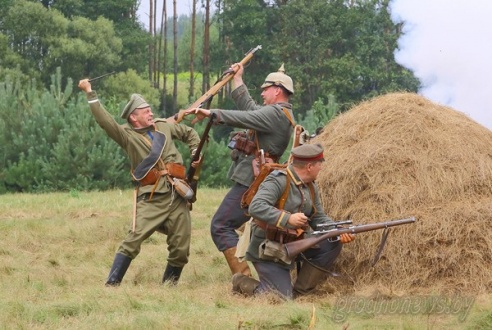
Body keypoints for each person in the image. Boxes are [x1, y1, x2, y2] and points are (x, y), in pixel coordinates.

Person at [78, 79, 200, 286]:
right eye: (145, 111)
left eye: (150, 110)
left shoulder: (163, 126)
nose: (150, 113)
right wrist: (90, 92)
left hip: (178, 193)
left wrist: (196, 151)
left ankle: (169, 288)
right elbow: (104, 120)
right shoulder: (127, 136)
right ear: (134, 117)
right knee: (133, 240)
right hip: (152, 195)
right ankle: (112, 284)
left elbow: (190, 134)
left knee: (181, 247)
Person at [185, 63, 296, 277]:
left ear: (277, 90)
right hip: (255, 179)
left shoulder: (276, 114)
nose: (262, 92)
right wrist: (237, 80)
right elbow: (252, 111)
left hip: (252, 183)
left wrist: (211, 113)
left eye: (266, 89)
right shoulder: (277, 113)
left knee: (221, 225)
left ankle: (244, 279)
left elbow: (247, 117)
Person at [232, 143, 355, 299]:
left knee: (331, 241)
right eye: (319, 165)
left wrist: (337, 229)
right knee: (278, 298)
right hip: (268, 247)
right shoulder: (278, 180)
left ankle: (301, 292)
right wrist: (287, 218)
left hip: (295, 241)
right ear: (309, 166)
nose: (321, 168)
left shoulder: (310, 185)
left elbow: (317, 218)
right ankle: (240, 281)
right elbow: (256, 206)